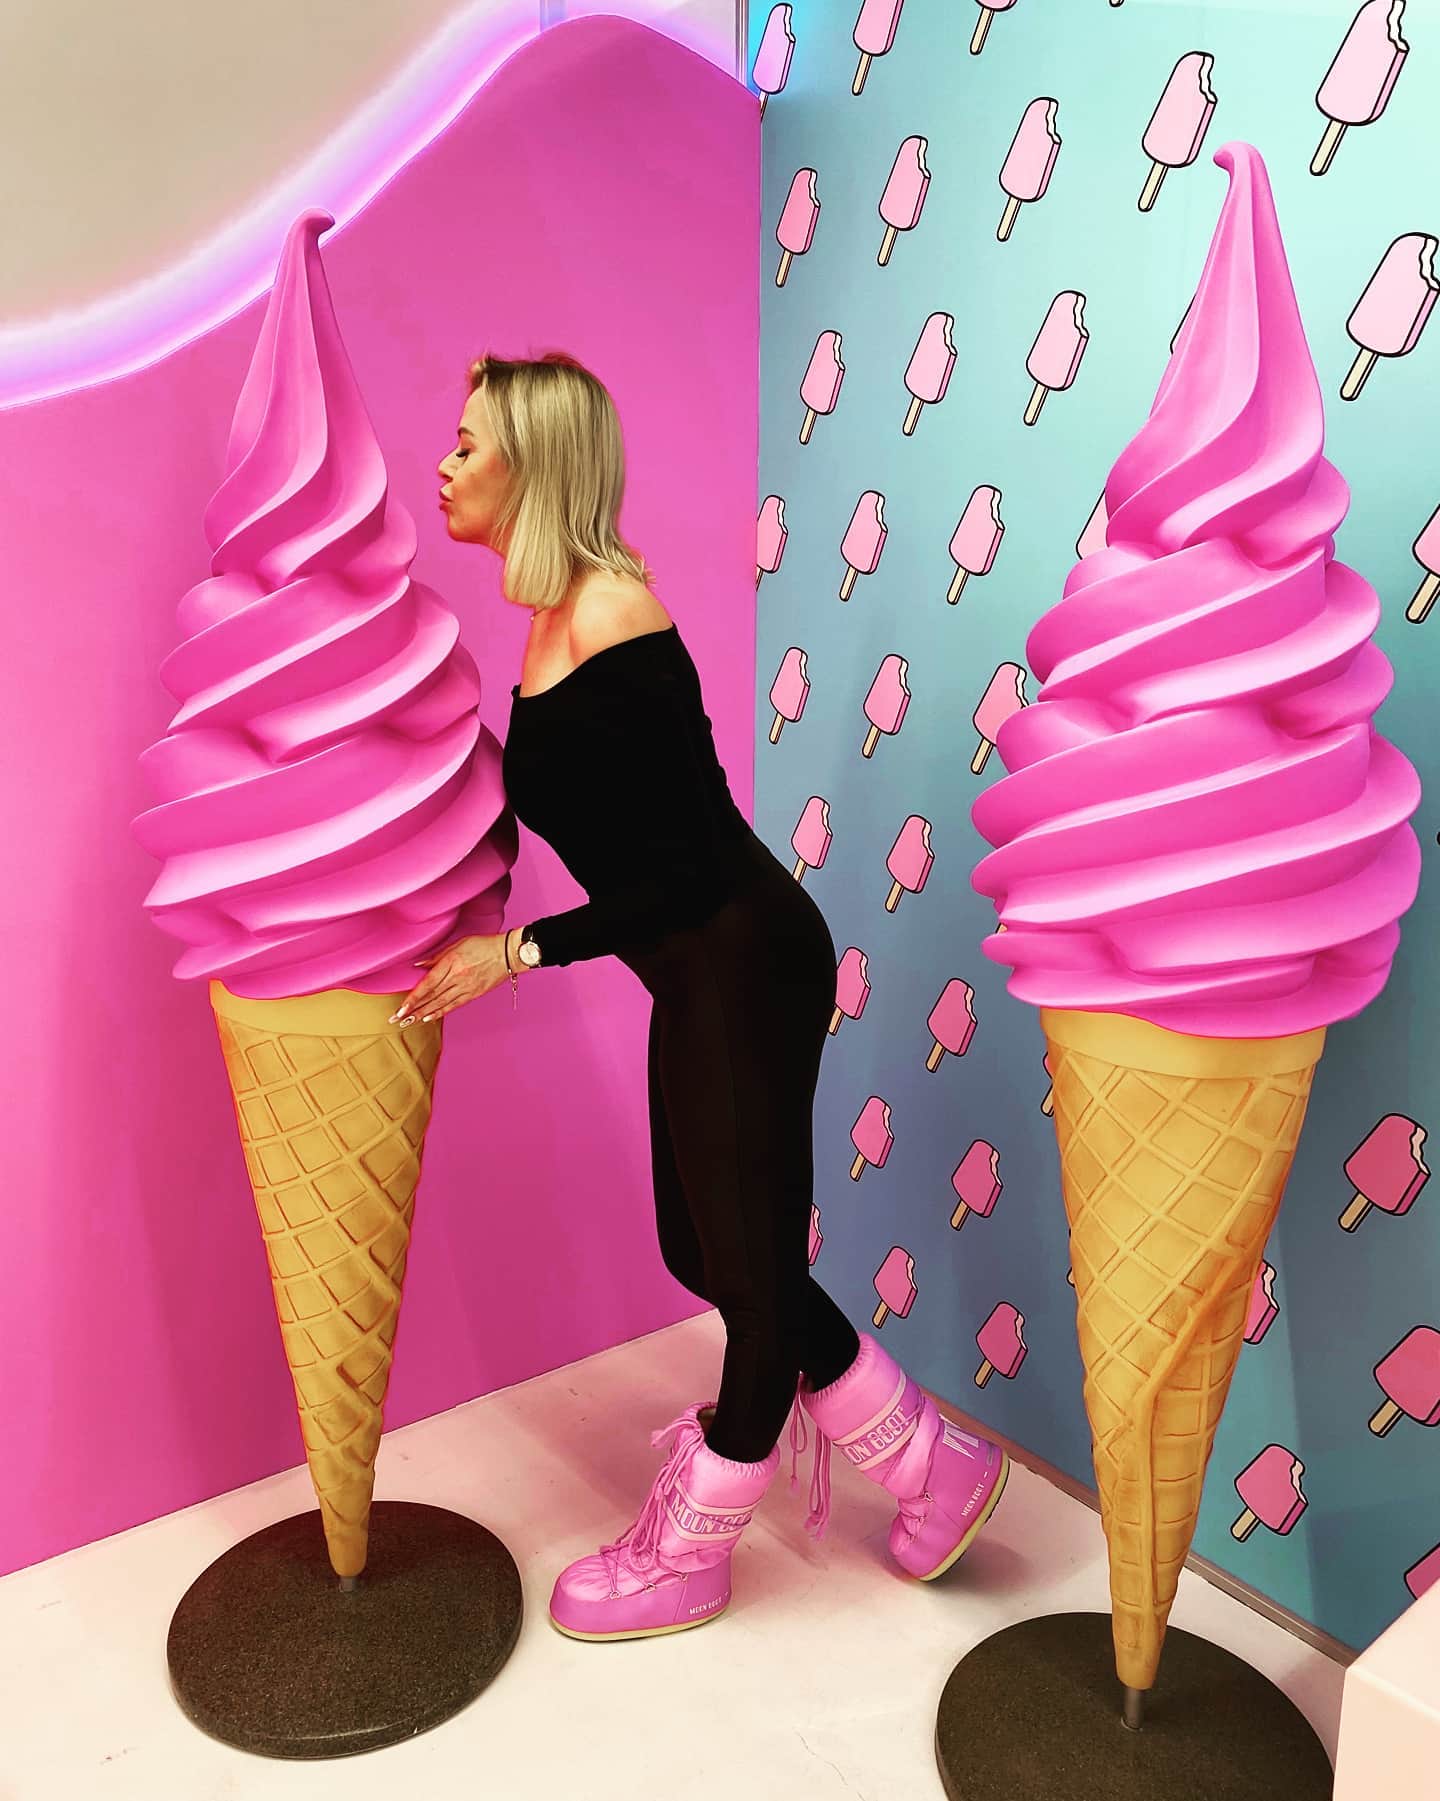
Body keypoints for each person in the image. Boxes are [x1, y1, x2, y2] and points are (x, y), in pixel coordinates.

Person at [388, 352, 1009, 1643]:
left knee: (747, 1266)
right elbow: (597, 810)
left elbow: (678, 868)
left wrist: (515, 956)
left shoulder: (616, 608)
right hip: (703, 966)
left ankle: (700, 1540)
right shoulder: (553, 615)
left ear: (536, 465)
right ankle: (929, 1465)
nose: (444, 465)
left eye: (467, 445)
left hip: (742, 958)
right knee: (708, 1251)